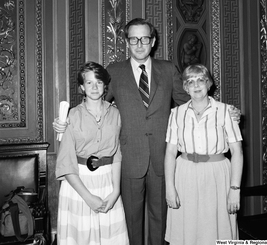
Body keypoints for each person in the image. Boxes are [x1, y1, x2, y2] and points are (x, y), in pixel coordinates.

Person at [53, 18, 241, 245]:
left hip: (163, 159)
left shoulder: (168, 68)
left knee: (160, 220)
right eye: (134, 39)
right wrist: (66, 122)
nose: (139, 44)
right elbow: (95, 103)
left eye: (144, 38)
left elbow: (192, 99)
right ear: (126, 42)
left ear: (152, 42)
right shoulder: (115, 71)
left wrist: (226, 112)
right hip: (128, 159)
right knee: (130, 223)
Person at [164, 64, 243, 245]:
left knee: (216, 230)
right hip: (185, 175)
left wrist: (234, 189)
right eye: (190, 82)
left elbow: (237, 152)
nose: (196, 85)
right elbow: (170, 152)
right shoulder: (176, 114)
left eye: (201, 80)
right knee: (187, 231)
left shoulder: (226, 111)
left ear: (209, 84)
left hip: (217, 175)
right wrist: (169, 187)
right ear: (185, 87)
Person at [55, 61, 129, 245]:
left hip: (107, 186)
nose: (94, 87)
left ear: (105, 85)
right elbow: (65, 164)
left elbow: (117, 155)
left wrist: (116, 191)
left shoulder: (116, 114)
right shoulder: (71, 116)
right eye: (89, 83)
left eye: (99, 82)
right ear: (81, 87)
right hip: (79, 186)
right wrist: (88, 198)